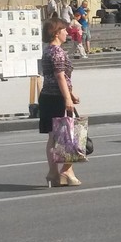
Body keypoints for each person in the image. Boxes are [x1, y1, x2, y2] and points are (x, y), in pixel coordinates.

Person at [39, 17, 82, 187]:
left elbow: (56, 77)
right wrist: (67, 98)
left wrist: (71, 93)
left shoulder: (47, 50)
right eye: (64, 30)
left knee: (53, 137)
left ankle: (53, 173)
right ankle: (66, 170)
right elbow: (59, 76)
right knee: (71, 135)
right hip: (57, 98)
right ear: (56, 33)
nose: (67, 33)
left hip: (47, 96)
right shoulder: (57, 52)